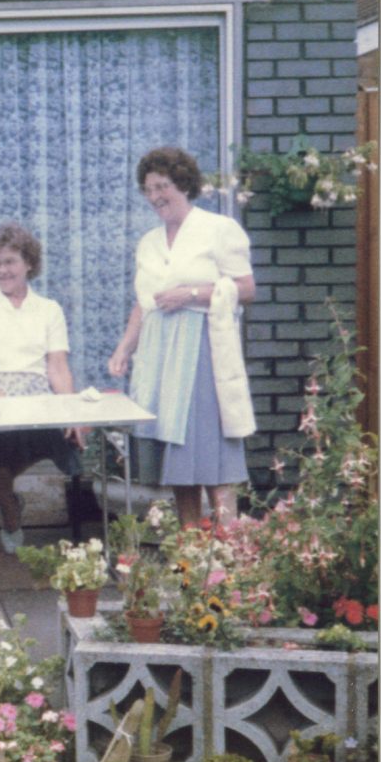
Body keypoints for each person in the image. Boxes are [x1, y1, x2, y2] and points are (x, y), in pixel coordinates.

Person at [107, 146, 256, 525]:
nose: (155, 196)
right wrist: (124, 348)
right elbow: (144, 304)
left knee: (212, 452)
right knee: (178, 458)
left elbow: (246, 287)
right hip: (160, 356)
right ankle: (189, 550)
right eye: (148, 189)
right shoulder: (149, 242)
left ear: (184, 185)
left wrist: (190, 294)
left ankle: (230, 551)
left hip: (202, 349)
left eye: (162, 186)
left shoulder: (217, 230)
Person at [0, 222, 86, 555]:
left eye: (10, 261)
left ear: (28, 264)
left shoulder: (49, 308)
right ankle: (11, 509)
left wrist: (72, 411)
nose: (2, 270)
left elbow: (57, 367)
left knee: (59, 435)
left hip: (37, 395)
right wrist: (1, 403)